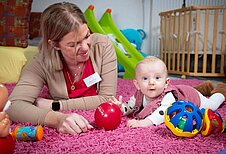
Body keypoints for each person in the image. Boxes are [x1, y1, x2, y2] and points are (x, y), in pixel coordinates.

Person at [6, 2, 117, 135]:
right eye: (73, 45)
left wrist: (56, 105)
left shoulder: (102, 45)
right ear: (54, 44)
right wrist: (57, 119)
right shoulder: (42, 61)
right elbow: (13, 106)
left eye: (87, 36)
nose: (86, 48)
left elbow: (107, 99)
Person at [109, 56, 226, 128]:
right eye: (145, 78)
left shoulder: (168, 97)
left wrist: (143, 123)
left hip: (191, 96)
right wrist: (121, 109)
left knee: (212, 106)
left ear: (166, 83)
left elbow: (163, 113)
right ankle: (206, 87)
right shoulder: (138, 95)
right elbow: (130, 106)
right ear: (137, 84)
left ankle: (221, 90)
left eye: (157, 78)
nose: (151, 82)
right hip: (182, 91)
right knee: (185, 90)